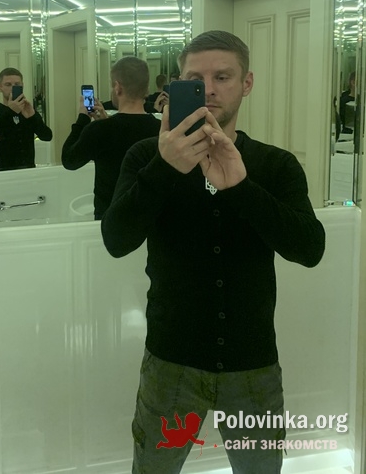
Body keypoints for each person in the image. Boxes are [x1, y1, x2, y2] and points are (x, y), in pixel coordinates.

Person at [101, 31, 326, 474]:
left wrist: (241, 187)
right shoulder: (146, 156)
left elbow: (309, 249)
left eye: (222, 77)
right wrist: (164, 168)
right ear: (175, 88)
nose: (208, 89)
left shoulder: (275, 165)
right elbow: (116, 240)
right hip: (171, 361)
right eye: (195, 80)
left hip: (252, 364)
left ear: (246, 83)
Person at [61, 56, 161, 219]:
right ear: (146, 89)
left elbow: (69, 160)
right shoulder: (161, 129)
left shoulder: (99, 130)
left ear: (117, 87)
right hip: (150, 219)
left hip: (109, 221)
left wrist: (83, 118)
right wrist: (104, 123)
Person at [0, 68, 52, 170]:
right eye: (8, 84)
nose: (12, 88)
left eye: (17, 84)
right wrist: (11, 111)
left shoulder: (27, 109)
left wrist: (33, 116)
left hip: (29, 169)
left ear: (22, 85)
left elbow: (47, 136)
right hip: (6, 171)